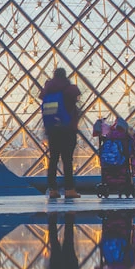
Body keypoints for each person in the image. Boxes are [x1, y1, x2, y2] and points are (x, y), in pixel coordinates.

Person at [39, 67, 82, 201]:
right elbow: (77, 95)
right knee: (67, 160)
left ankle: (52, 189)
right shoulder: (69, 88)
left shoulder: (47, 90)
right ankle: (69, 189)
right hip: (67, 129)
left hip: (52, 129)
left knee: (53, 160)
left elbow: (41, 96)